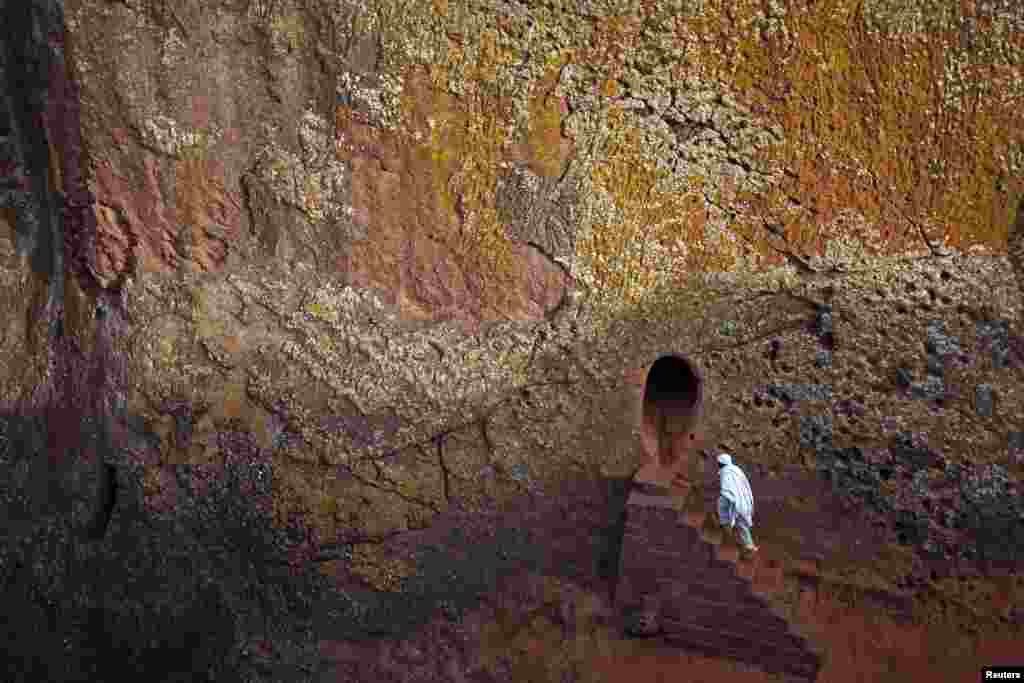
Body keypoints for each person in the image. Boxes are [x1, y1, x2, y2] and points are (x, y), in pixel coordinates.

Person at [717, 453, 758, 553]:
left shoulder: (727, 473)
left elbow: (727, 490)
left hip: (734, 500)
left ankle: (747, 546)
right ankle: (748, 545)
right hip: (744, 500)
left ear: (721, 464)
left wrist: (729, 497)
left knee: (727, 513)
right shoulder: (736, 469)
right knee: (742, 524)